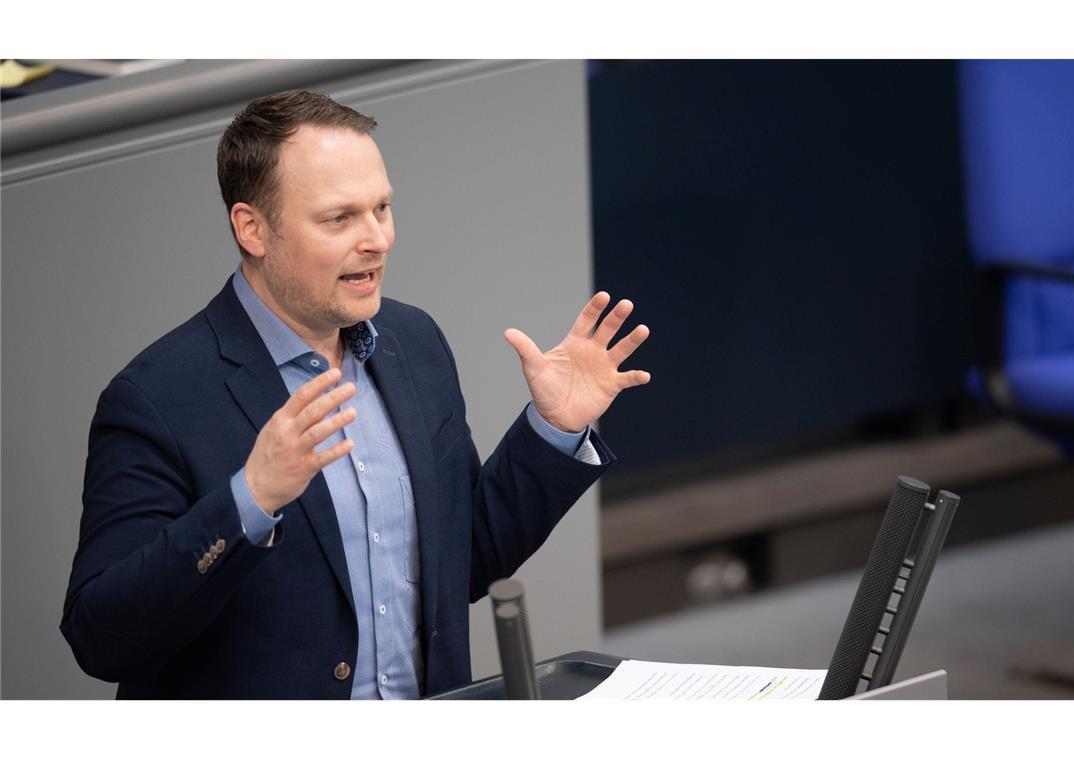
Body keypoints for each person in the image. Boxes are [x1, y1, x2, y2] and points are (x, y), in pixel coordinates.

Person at [60, 90, 650, 699]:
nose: (377, 240)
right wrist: (250, 499)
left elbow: (459, 563)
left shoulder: (412, 342)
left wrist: (552, 432)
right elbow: (101, 636)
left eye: (382, 208)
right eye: (339, 218)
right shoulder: (156, 398)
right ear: (252, 228)